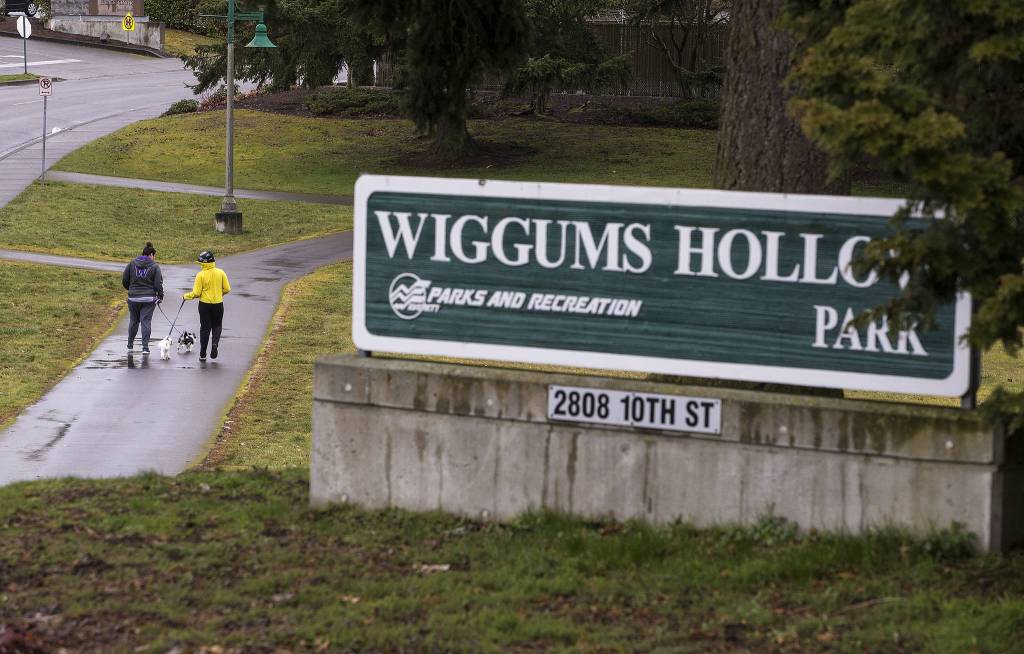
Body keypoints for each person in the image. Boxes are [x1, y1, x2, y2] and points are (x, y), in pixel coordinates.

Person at [183, 250, 231, 361]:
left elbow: (196, 293)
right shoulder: (221, 272)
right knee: (217, 326)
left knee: (205, 329)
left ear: (204, 263)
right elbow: (227, 289)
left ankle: (202, 354)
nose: (200, 265)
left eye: (201, 263)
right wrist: (219, 294)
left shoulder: (200, 275)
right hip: (218, 304)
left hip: (204, 305)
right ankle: (215, 344)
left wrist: (186, 296)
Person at [121, 242, 164, 355]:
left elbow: (125, 280)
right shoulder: (155, 266)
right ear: (150, 254)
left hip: (133, 298)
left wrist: (131, 289)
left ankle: (130, 345)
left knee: (134, 321)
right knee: (146, 321)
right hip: (148, 299)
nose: (154, 258)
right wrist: (160, 295)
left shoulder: (132, 263)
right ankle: (145, 348)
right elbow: (158, 283)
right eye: (154, 256)